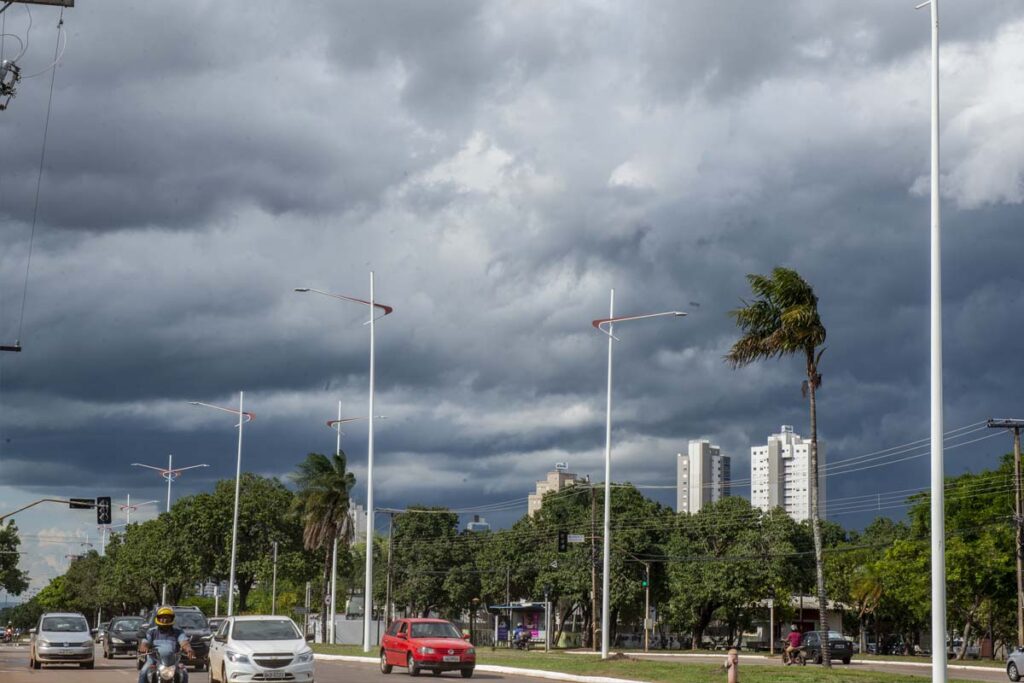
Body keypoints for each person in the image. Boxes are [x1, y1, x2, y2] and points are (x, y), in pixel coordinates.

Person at [138, 607, 193, 683]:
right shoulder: (152, 631)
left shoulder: (178, 632)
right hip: (154, 660)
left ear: (172, 619)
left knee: (184, 672)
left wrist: (188, 649)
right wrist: (143, 646)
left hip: (173, 662)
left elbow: (184, 642)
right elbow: (145, 641)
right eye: (162, 617)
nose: (165, 619)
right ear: (158, 618)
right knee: (143, 672)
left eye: (167, 617)